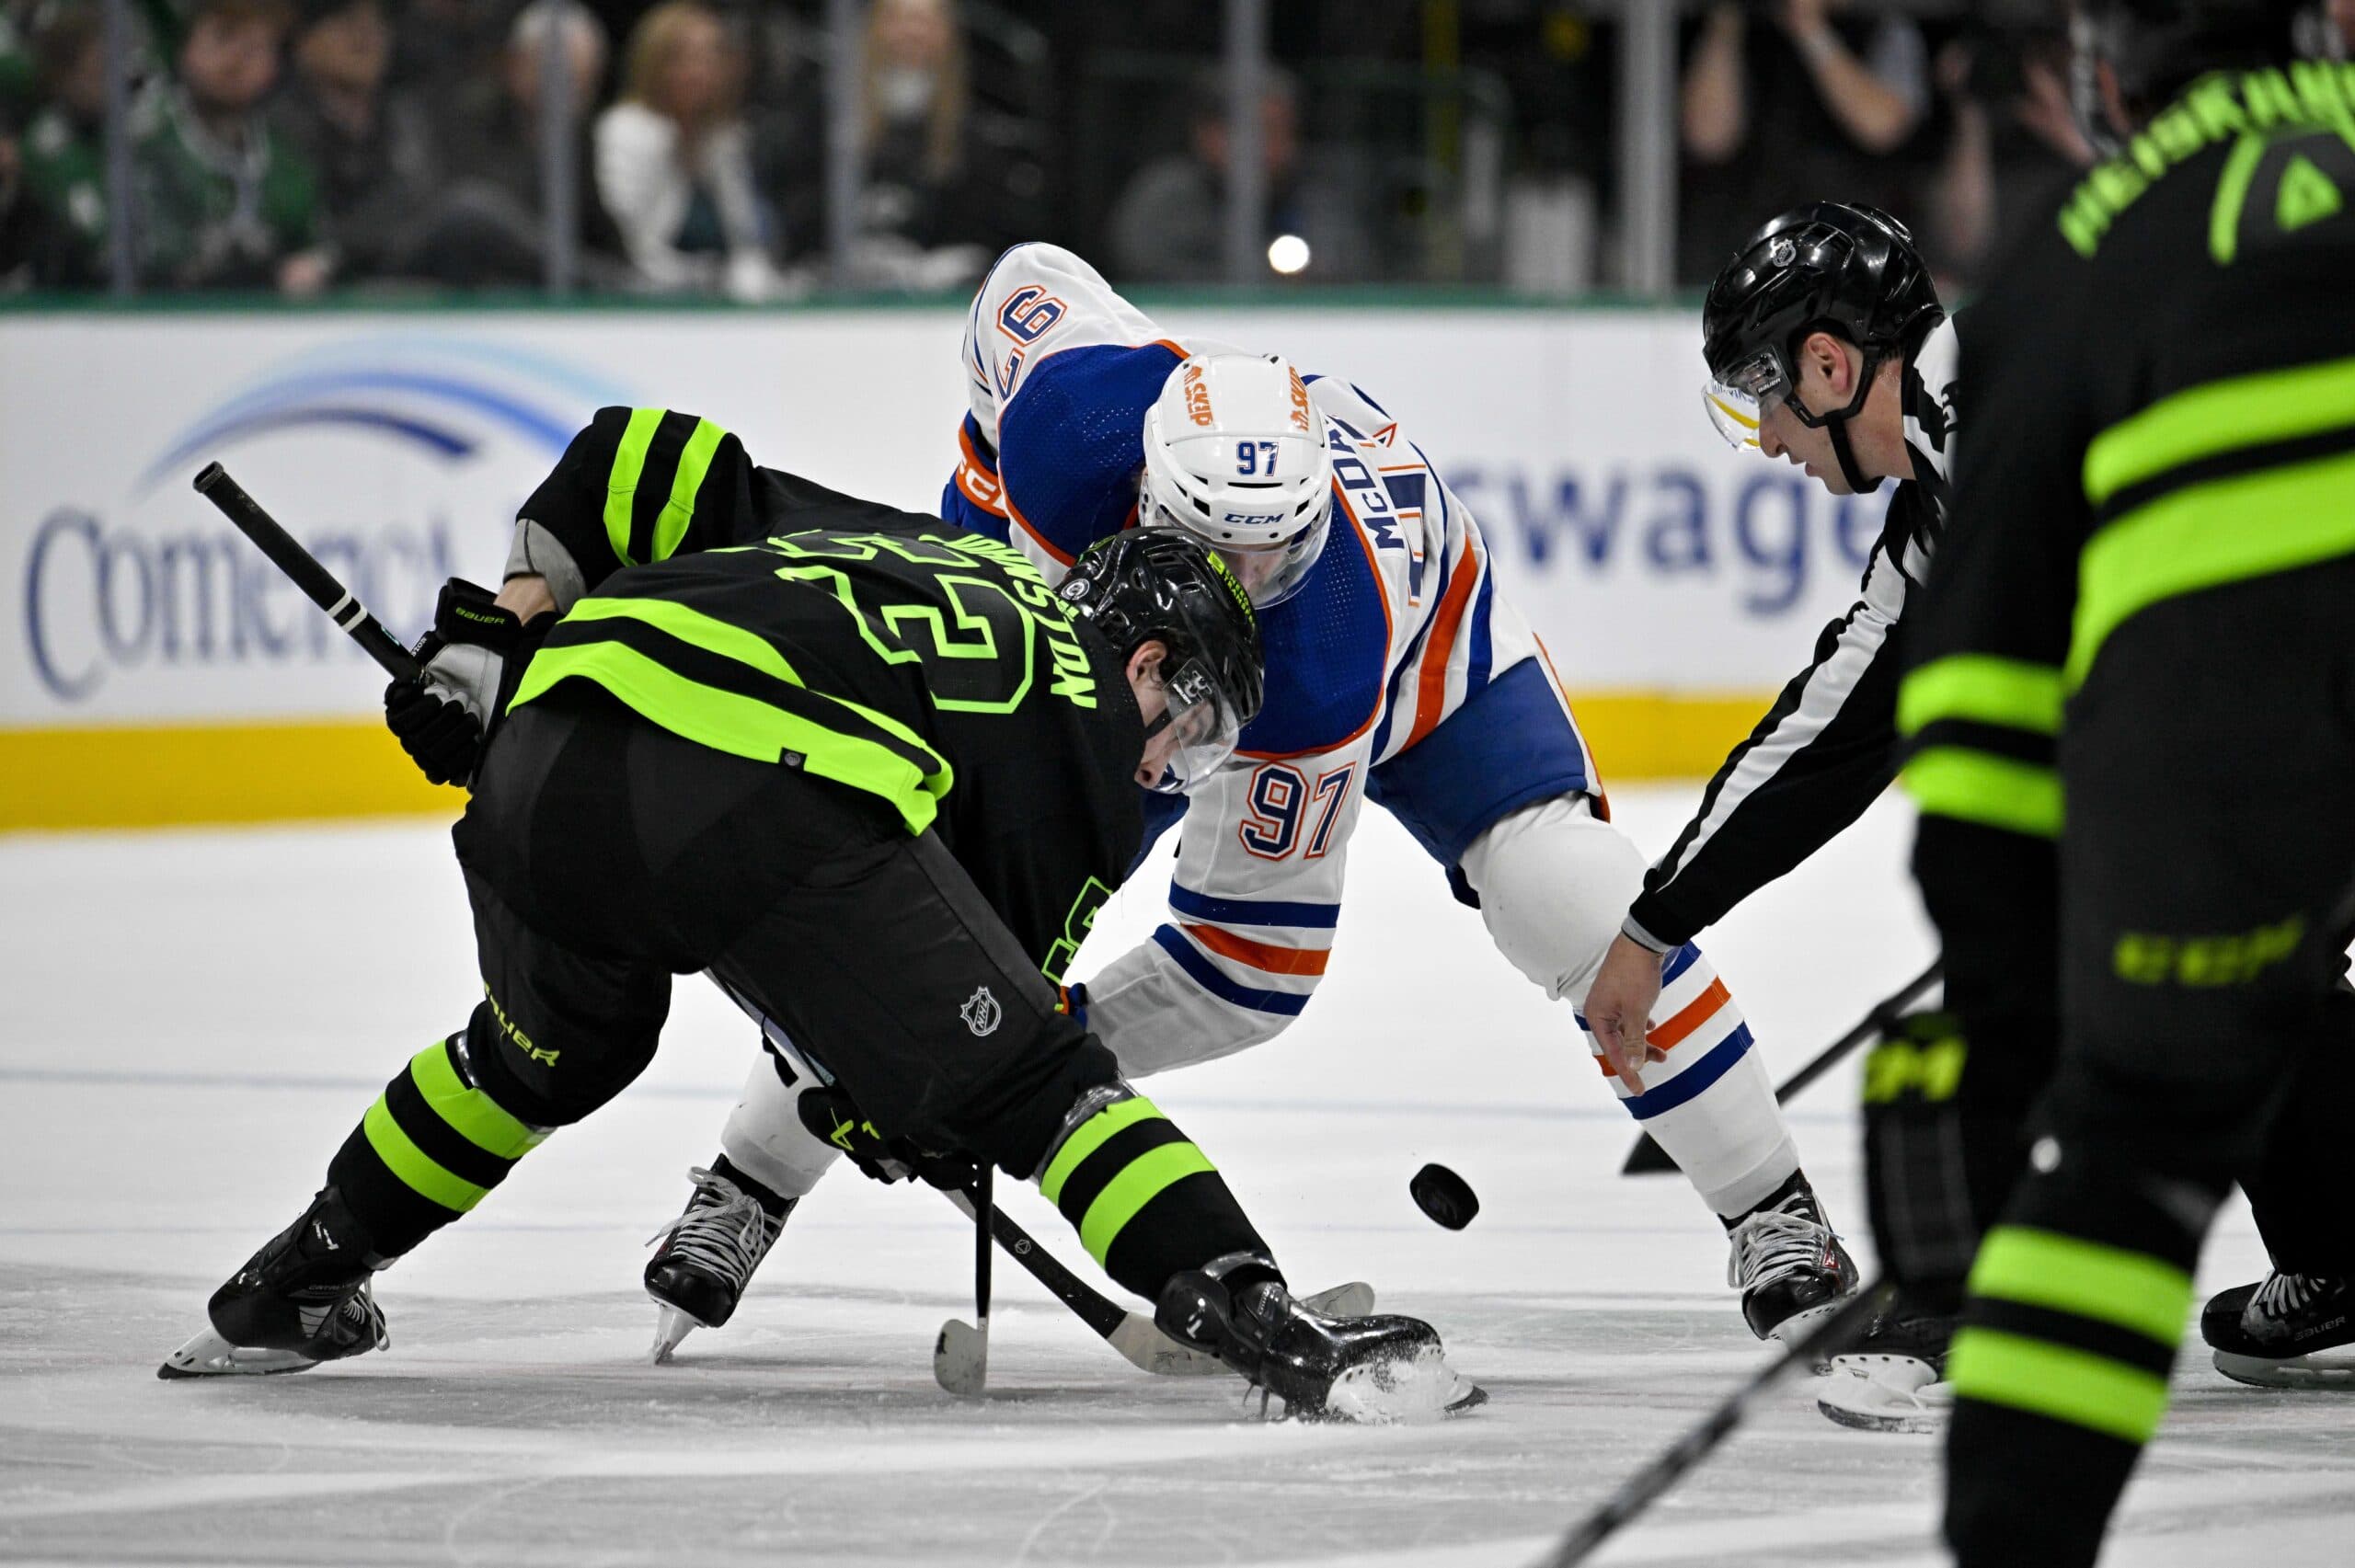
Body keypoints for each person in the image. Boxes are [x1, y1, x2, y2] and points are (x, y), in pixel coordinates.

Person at [641, 241, 1860, 1362]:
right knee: (948, 892)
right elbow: (1030, 281)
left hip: (1430, 661)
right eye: (1217, 554)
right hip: (1118, 652)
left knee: (1570, 897)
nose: (1247, 585)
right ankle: (746, 1184)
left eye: (1273, 555)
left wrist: (1015, 1065)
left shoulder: (1315, 654)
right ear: (1145, 494)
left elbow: (1247, 966)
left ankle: (1774, 1209)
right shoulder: (1072, 433)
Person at [159, 406, 1478, 1422]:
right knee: (1047, 1088)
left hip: (541, 747)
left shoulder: (919, 550)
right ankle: (1257, 1310)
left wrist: (496, 636)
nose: (1165, 771)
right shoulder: (1078, 755)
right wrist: (891, 1103)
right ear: (1147, 662)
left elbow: (639, 459)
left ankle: (295, 1279)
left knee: (544, 1049)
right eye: (1188, 731)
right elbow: (980, 1050)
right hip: (765, 799)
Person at [1881, 3, 2355, 1560]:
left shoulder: (2075, 250)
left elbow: (1976, 706)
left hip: (2231, 750)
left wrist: (2024, 1082)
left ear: (2105, 71)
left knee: (2127, 1168)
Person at [1580, 202, 1963, 1420]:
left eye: (1765, 391)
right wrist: (1652, 927)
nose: (1765, 437)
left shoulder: (2002, 425)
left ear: (1833, 365)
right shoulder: (1943, 504)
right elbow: (1827, 741)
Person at [1679, 0, 1936, 285]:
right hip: (1748, 255)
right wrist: (1725, 24)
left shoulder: (1882, 21)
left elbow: (1883, 125)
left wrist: (1809, 28)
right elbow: (1708, 136)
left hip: (1855, 260)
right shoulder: (1737, 20)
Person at [423, 0, 624, 289]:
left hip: (539, 294)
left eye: (585, 85)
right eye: (564, 79)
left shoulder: (576, 140)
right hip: (461, 285)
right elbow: (472, 220)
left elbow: (605, 237)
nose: (573, 97)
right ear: (518, 65)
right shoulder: (468, 119)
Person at [133, 0, 328, 293]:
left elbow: (314, 250)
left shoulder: (286, 158)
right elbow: (151, 257)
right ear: (185, 46)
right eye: (223, 37)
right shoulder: (145, 140)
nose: (236, 59)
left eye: (255, 48)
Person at [593, 0, 782, 300]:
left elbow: (746, 239)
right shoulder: (627, 131)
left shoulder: (725, 139)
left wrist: (751, 276)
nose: (697, 71)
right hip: (649, 303)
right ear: (654, 63)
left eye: (709, 57)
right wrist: (701, 277)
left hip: (721, 303)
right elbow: (626, 247)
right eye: (682, 57)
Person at [1104, 67, 1363, 283]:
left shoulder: (1312, 198)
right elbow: (1147, 272)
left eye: (1284, 131)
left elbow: (1354, 268)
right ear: (1209, 134)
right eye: (1261, 130)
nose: (1274, 145)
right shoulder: (1165, 198)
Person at [270, 0, 435, 282]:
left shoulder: (405, 118)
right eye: (346, 20)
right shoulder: (275, 126)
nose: (366, 35)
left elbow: (425, 206)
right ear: (303, 40)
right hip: (321, 289)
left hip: (411, 277)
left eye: (377, 22)